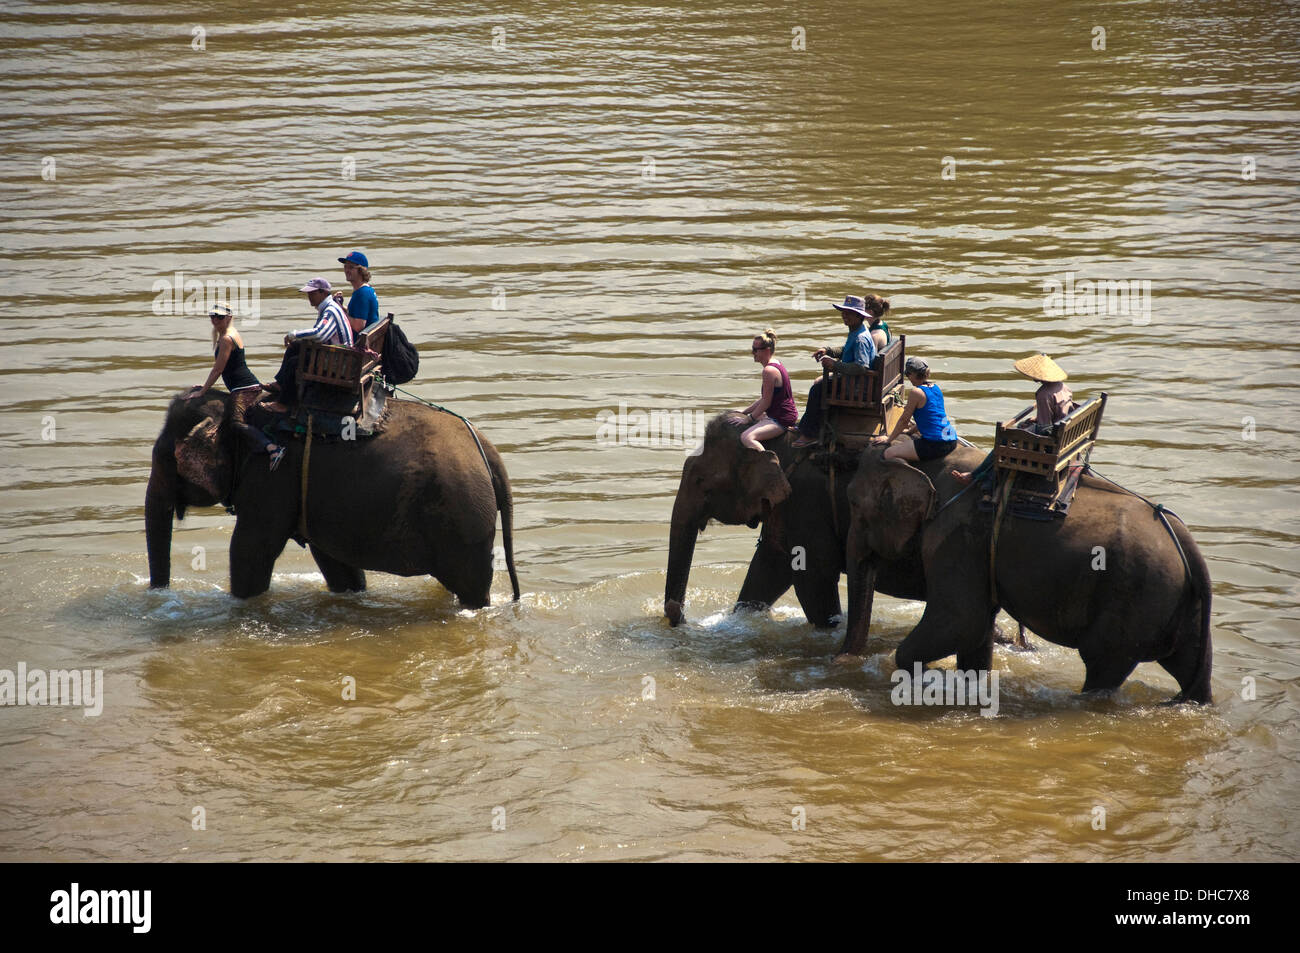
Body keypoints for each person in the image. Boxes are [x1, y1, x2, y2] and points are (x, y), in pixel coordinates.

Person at [952, 353, 1074, 486]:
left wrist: (1030, 428)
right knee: (1023, 425)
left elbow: (1044, 429)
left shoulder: (1043, 394)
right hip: (1066, 433)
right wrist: (1036, 419)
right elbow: (1059, 411)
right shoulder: (1063, 387)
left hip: (1052, 441)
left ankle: (975, 475)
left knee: (1004, 441)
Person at [185, 305, 281, 459]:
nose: (215, 320)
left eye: (220, 316)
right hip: (242, 386)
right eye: (212, 316)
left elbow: (218, 369)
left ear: (229, 317)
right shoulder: (229, 334)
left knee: (236, 423)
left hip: (245, 389)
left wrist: (202, 392)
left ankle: (272, 448)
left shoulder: (226, 338)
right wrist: (205, 386)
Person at [790, 295, 878, 448]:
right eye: (843, 312)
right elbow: (846, 350)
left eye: (848, 313)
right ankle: (806, 425)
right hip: (854, 381)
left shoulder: (860, 339)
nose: (844, 316)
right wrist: (829, 350)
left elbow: (860, 367)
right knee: (820, 384)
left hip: (855, 386)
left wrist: (834, 365)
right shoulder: (857, 330)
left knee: (818, 389)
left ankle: (810, 434)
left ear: (859, 316)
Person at [261, 278, 354, 414]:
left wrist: (294, 334)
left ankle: (284, 404)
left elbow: (320, 335)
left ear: (323, 293)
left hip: (338, 362)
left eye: (312, 293)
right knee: (295, 347)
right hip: (336, 355)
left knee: (295, 363)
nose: (309, 297)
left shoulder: (331, 311)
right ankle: (281, 383)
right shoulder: (328, 307)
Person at [871, 356, 958, 462]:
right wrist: (910, 432)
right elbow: (930, 418)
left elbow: (904, 420)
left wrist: (889, 439)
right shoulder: (936, 388)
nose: (908, 377)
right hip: (952, 440)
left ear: (915, 374)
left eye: (908, 374)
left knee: (889, 453)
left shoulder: (916, 392)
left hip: (935, 444)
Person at [735, 329, 798, 450]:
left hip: (780, 418)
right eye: (752, 349)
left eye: (755, 350)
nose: (752, 353)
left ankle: (768, 465)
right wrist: (744, 412)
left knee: (747, 437)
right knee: (752, 417)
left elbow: (766, 403)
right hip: (779, 413)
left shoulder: (769, 371)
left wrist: (748, 419)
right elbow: (765, 398)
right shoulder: (776, 363)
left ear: (767, 351)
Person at [336, 251, 380, 335]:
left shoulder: (362, 294)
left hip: (356, 345)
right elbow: (356, 314)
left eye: (351, 267)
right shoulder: (366, 289)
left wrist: (340, 312)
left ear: (361, 270)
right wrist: (341, 306)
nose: (347, 270)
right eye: (345, 267)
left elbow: (358, 326)